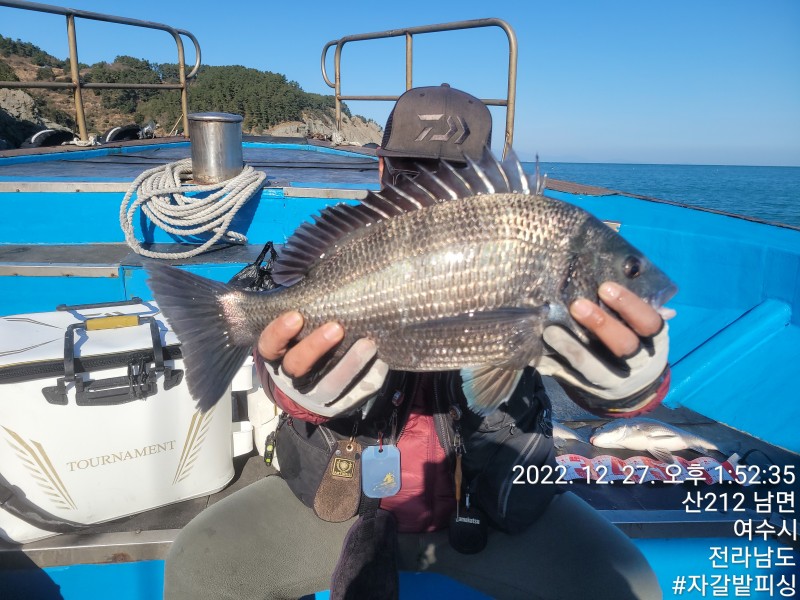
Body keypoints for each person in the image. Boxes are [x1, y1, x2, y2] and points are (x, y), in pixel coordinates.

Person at [164, 85, 670, 600]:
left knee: (631, 584)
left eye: (456, 174)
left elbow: (593, 381)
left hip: (493, 511)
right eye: (412, 173)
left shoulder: (540, 246)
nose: (432, 188)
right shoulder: (353, 245)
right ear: (383, 170)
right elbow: (281, 345)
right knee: (197, 566)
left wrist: (631, 383)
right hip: (341, 505)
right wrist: (295, 390)